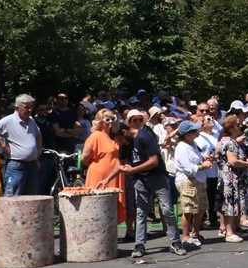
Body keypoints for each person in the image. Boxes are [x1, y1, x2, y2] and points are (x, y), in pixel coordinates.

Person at [121, 109, 184, 259]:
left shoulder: (145, 136)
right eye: (134, 120)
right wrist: (109, 177)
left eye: (140, 120)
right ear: (128, 123)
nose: (137, 122)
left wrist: (133, 170)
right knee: (141, 212)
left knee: (167, 209)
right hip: (140, 178)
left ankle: (175, 242)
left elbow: (154, 161)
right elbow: (121, 161)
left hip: (157, 175)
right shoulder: (125, 140)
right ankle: (139, 244)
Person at [0, 94, 43, 196]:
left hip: (31, 165)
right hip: (16, 165)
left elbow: (38, 134)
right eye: (26, 107)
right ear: (17, 108)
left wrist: (38, 149)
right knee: (13, 197)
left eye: (31, 107)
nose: (30, 110)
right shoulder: (8, 120)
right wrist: (4, 146)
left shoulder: (31, 120)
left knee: (31, 198)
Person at [81, 107, 126, 227]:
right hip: (99, 175)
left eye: (112, 119)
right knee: (98, 208)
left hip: (114, 175)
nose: (110, 122)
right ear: (100, 122)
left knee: (113, 209)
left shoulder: (112, 135)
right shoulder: (95, 136)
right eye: (107, 120)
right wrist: (95, 165)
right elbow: (84, 157)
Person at [216, 114, 248, 243]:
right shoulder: (229, 142)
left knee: (234, 206)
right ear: (231, 128)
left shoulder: (230, 140)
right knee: (230, 206)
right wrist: (247, 164)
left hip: (234, 178)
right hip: (230, 179)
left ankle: (233, 230)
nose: (240, 126)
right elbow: (233, 161)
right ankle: (229, 233)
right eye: (238, 125)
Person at [174, 120, 211, 247]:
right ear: (187, 135)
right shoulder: (181, 147)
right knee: (188, 209)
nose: (197, 131)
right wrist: (203, 166)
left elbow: (196, 160)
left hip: (199, 180)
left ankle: (195, 232)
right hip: (187, 181)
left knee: (201, 207)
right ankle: (185, 236)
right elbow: (189, 169)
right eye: (194, 130)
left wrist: (204, 159)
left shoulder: (193, 144)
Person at [195, 113, 221, 231]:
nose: (212, 120)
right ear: (203, 124)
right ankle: (202, 219)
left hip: (216, 169)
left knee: (214, 194)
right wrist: (204, 157)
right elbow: (197, 152)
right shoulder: (199, 137)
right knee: (205, 195)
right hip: (205, 170)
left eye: (212, 118)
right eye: (208, 119)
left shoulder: (217, 135)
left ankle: (213, 218)